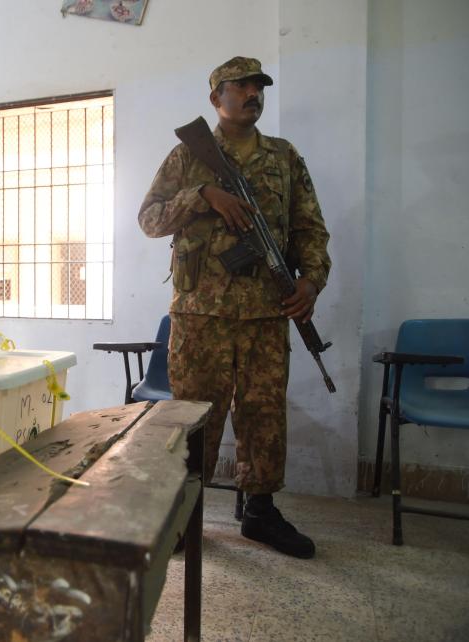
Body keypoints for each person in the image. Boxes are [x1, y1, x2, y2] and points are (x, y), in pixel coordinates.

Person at [137, 57, 331, 559]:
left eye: (258, 86)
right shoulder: (188, 156)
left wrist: (310, 282)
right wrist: (202, 195)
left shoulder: (284, 157)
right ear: (215, 99)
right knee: (196, 416)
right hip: (201, 314)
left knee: (264, 413)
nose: (251, 93)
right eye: (240, 86)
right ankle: (184, 512)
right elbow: (150, 219)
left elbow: (311, 229)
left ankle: (260, 511)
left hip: (268, 313)